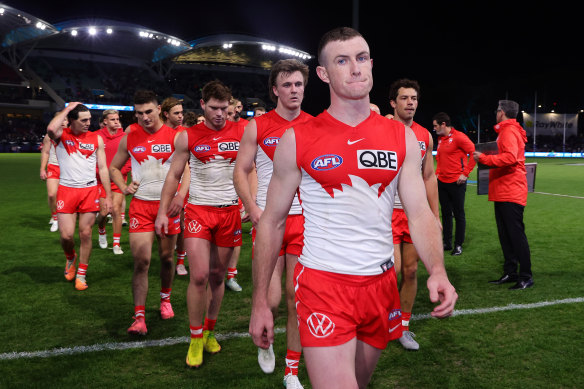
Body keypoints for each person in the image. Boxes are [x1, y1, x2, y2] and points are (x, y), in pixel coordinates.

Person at [249, 27, 457, 389]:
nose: (355, 68)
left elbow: (420, 212)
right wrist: (260, 302)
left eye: (361, 58)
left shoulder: (401, 137)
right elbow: (271, 222)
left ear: (372, 64)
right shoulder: (299, 138)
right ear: (324, 74)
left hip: (380, 286)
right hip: (323, 286)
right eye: (342, 61)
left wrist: (437, 270)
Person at [234, 58, 312, 388]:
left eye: (299, 84)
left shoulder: (316, 124)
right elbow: (240, 169)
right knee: (273, 300)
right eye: (287, 85)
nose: (294, 90)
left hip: (306, 222)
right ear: (274, 90)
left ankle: (291, 370)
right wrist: (251, 205)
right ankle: (266, 343)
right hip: (269, 221)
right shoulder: (258, 125)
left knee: (298, 298)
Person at [155, 80, 245, 368]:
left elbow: (250, 170)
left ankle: (209, 331)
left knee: (218, 276)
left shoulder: (243, 132)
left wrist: (249, 201)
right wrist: (161, 212)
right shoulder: (187, 136)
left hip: (229, 212)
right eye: (214, 108)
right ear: (203, 105)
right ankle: (194, 338)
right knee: (199, 276)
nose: (220, 113)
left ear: (230, 105)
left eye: (224, 107)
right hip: (198, 212)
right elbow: (173, 175)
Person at [109, 90, 189, 336]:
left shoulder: (177, 136)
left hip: (167, 208)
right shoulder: (130, 136)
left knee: (166, 258)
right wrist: (124, 187)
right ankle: (139, 317)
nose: (143, 117)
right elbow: (114, 167)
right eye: (139, 113)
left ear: (159, 111)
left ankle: (165, 299)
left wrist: (179, 197)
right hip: (141, 207)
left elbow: (187, 171)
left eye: (148, 112)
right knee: (141, 261)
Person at [388, 78, 440, 351]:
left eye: (414, 98)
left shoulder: (425, 136)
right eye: (404, 98)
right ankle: (382, 321)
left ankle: (402, 327)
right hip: (385, 213)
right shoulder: (382, 129)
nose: (410, 103)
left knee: (409, 271)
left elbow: (429, 176)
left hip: (414, 214)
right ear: (393, 103)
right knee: (391, 271)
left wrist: (436, 216)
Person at [46, 102, 112, 291]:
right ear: (71, 121)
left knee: (85, 233)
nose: (88, 123)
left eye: (90, 119)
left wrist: (106, 196)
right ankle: (70, 258)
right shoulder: (61, 136)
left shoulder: (96, 139)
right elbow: (51, 127)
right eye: (83, 120)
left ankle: (81, 274)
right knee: (66, 236)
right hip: (67, 190)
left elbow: (102, 168)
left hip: (89, 191)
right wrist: (66, 109)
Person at [473, 100, 533, 290]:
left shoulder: (508, 131)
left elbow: (510, 157)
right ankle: (511, 272)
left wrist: (483, 158)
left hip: (510, 190)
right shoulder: (508, 130)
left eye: (497, 110)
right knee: (506, 236)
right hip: (503, 190)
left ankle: (526, 276)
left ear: (501, 112)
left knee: (515, 236)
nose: (495, 113)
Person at [432, 112, 476, 256]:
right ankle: (447, 242)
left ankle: (458, 245)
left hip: (457, 182)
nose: (434, 128)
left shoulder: (459, 137)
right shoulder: (440, 139)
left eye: (435, 126)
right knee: (445, 213)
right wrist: (437, 172)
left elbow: (474, 154)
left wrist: (466, 173)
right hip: (442, 182)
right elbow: (439, 158)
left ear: (443, 124)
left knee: (459, 214)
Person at [161, 97, 189, 276]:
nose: (180, 116)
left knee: (182, 225)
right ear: (166, 114)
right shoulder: (158, 132)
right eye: (176, 113)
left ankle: (180, 260)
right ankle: (166, 256)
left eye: (181, 112)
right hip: (157, 186)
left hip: (181, 185)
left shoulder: (184, 133)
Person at [95, 109, 129, 255]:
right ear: (105, 122)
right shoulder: (96, 136)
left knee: (116, 209)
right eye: (113, 119)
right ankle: (101, 230)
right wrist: (100, 172)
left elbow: (130, 158)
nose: (116, 121)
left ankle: (116, 243)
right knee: (103, 212)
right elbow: (91, 158)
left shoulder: (125, 137)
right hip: (101, 180)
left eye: (117, 119)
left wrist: (120, 172)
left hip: (118, 179)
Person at [40, 113, 67, 232]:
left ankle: (64, 216)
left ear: (68, 121)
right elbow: (45, 152)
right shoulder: (48, 136)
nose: (62, 122)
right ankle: (55, 218)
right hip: (53, 166)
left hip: (68, 169)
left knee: (66, 197)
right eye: (59, 119)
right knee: (52, 194)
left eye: (65, 119)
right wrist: (42, 168)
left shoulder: (73, 135)